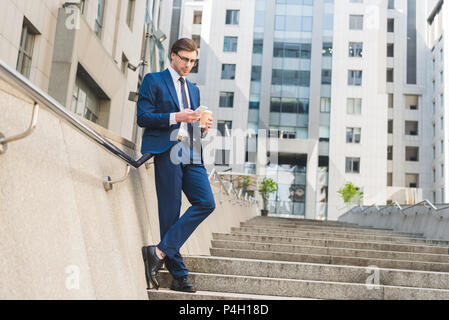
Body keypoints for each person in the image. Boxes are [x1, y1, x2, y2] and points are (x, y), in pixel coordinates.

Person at [137, 38, 215, 293]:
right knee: (170, 213)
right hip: (167, 149)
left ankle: (158, 252)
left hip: (191, 152)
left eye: (193, 61)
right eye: (184, 59)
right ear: (173, 55)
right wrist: (176, 116)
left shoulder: (194, 90)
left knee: (206, 202)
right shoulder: (153, 80)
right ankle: (179, 276)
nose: (188, 65)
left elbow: (190, 125)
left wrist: (201, 128)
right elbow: (143, 117)